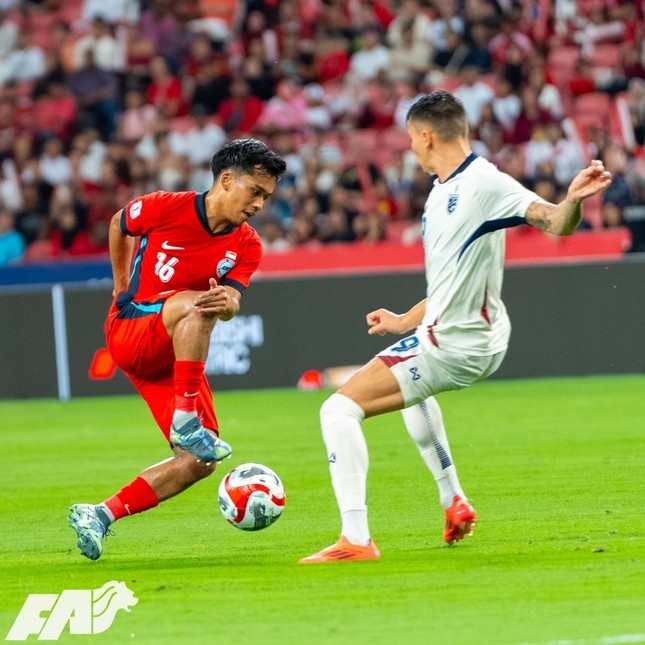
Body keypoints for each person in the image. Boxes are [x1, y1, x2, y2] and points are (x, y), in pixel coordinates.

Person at [299, 90, 612, 564]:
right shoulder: (440, 191)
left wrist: (571, 199)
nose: (408, 148)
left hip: (456, 345)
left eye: (410, 139)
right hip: (463, 336)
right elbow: (451, 279)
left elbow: (554, 222)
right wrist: (404, 320)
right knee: (411, 391)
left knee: (337, 412)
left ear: (427, 137)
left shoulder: (486, 183)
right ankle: (454, 503)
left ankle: (356, 539)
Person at [68, 138, 287, 560]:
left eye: (266, 197)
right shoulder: (165, 207)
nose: (260, 204)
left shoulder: (247, 244)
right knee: (196, 303)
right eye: (255, 192)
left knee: (198, 463)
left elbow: (232, 299)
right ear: (226, 180)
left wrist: (230, 304)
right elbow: (119, 223)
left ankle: (99, 514)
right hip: (132, 328)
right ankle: (187, 418)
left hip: (172, 353)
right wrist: (118, 287)